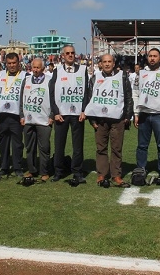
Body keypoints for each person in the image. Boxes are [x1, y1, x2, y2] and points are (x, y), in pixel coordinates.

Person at [85, 54, 133, 188]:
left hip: (117, 119)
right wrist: (92, 119)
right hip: (100, 120)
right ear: (100, 64)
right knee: (101, 148)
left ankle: (116, 175)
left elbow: (128, 96)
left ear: (113, 63)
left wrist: (127, 116)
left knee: (117, 148)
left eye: (109, 62)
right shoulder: (95, 78)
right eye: (104, 62)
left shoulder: (122, 76)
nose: (107, 64)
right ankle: (102, 174)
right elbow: (90, 99)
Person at [133, 48, 160, 183]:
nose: (152, 58)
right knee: (142, 146)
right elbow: (135, 93)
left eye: (155, 56)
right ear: (147, 58)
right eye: (150, 56)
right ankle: (141, 170)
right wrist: (136, 113)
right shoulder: (141, 73)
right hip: (144, 115)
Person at [49, 45, 89, 183]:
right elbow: (52, 92)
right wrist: (55, 112)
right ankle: (58, 171)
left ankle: (77, 172)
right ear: (63, 56)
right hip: (61, 114)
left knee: (78, 146)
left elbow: (86, 92)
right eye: (67, 53)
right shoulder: (57, 71)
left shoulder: (83, 70)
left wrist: (84, 110)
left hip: (78, 114)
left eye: (72, 53)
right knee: (59, 144)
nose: (70, 55)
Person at [0, 52, 26, 178]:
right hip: (2, 115)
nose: (12, 66)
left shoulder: (24, 76)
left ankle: (17, 167)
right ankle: (4, 167)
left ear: (18, 63)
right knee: (3, 142)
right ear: (6, 64)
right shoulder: (0, 75)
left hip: (16, 115)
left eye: (14, 63)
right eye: (9, 63)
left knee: (17, 143)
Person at [20, 58, 53, 181]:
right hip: (28, 119)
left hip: (44, 120)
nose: (35, 70)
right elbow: (21, 99)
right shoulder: (26, 80)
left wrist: (52, 115)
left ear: (43, 69)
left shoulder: (49, 81)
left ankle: (44, 172)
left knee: (44, 148)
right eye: (34, 67)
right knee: (29, 147)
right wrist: (21, 115)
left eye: (38, 67)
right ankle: (32, 170)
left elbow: (54, 99)